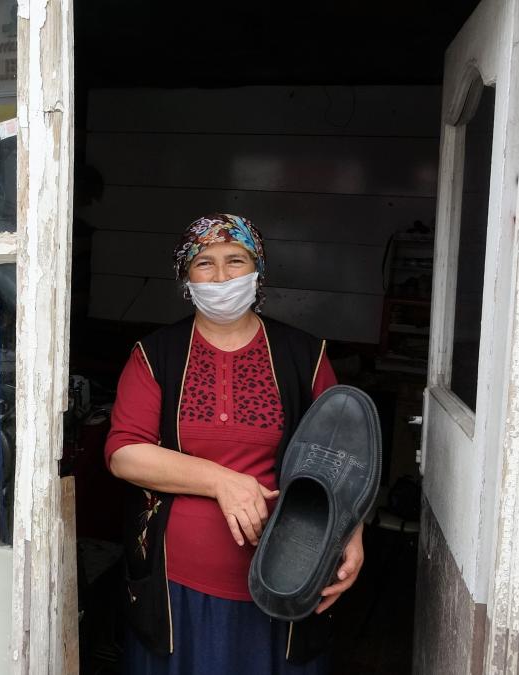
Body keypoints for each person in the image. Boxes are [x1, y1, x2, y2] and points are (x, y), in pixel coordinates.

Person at [106, 214, 364, 674]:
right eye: (204, 263)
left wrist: (353, 534)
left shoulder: (304, 355)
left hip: (287, 574)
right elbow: (125, 452)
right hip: (175, 589)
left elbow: (345, 459)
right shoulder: (156, 354)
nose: (221, 276)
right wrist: (223, 482)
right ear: (186, 277)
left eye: (235, 260)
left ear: (257, 270)